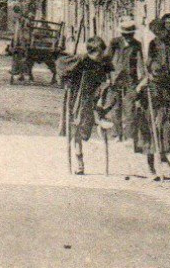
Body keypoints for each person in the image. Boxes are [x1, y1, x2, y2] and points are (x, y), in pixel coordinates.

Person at [138, 14, 170, 179]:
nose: (159, 34)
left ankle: (168, 161)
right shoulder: (153, 43)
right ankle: (152, 166)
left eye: (160, 30)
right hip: (155, 85)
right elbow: (148, 63)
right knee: (153, 127)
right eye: (155, 32)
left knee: (168, 126)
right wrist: (149, 75)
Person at [59, 37, 115, 174]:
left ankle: (101, 118)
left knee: (110, 98)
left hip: (94, 97)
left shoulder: (102, 62)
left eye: (102, 53)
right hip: (78, 97)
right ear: (91, 52)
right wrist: (66, 79)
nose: (101, 56)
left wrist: (107, 81)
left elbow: (108, 76)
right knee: (77, 128)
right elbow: (61, 65)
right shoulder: (81, 59)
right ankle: (80, 162)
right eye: (99, 54)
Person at [106, 20, 143, 140]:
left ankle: (129, 136)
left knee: (130, 108)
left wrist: (141, 80)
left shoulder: (137, 44)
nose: (128, 37)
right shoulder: (114, 43)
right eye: (125, 34)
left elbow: (140, 62)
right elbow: (107, 59)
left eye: (130, 34)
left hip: (131, 80)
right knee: (115, 107)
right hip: (115, 79)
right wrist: (108, 77)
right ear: (122, 34)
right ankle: (117, 134)